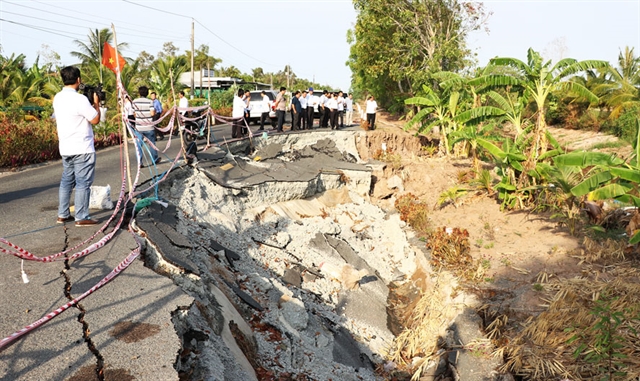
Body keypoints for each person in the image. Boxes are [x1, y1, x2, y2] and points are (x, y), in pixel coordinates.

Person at [53, 66, 101, 227]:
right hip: (82, 147)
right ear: (78, 80)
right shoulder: (80, 100)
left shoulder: (57, 98)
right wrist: (96, 104)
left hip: (66, 147)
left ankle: (63, 214)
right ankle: (81, 216)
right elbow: (95, 120)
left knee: (67, 180)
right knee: (83, 183)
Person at [133, 86, 160, 165]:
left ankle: (140, 162)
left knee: (138, 145)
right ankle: (154, 160)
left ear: (139, 93)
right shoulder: (150, 102)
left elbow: (134, 114)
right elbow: (152, 113)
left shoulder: (135, 101)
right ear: (147, 93)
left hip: (139, 127)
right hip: (149, 127)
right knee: (152, 144)